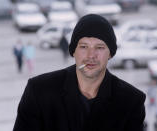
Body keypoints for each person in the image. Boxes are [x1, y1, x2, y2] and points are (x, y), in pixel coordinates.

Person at [13, 14, 146, 131]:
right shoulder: (38, 91)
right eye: (83, 47)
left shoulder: (131, 101)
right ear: (73, 51)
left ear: (110, 53)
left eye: (99, 47)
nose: (91, 55)